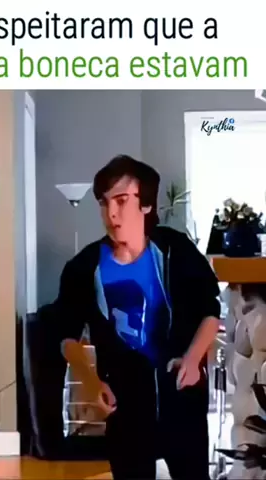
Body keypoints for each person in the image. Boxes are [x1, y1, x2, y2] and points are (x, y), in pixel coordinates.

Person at [57, 155, 220, 479]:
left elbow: (210, 311)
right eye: (104, 203)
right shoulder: (85, 266)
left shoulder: (175, 250)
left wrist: (192, 359)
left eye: (121, 201)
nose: (111, 213)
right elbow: (67, 337)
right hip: (125, 405)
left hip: (181, 398)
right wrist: (92, 383)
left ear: (145, 205)